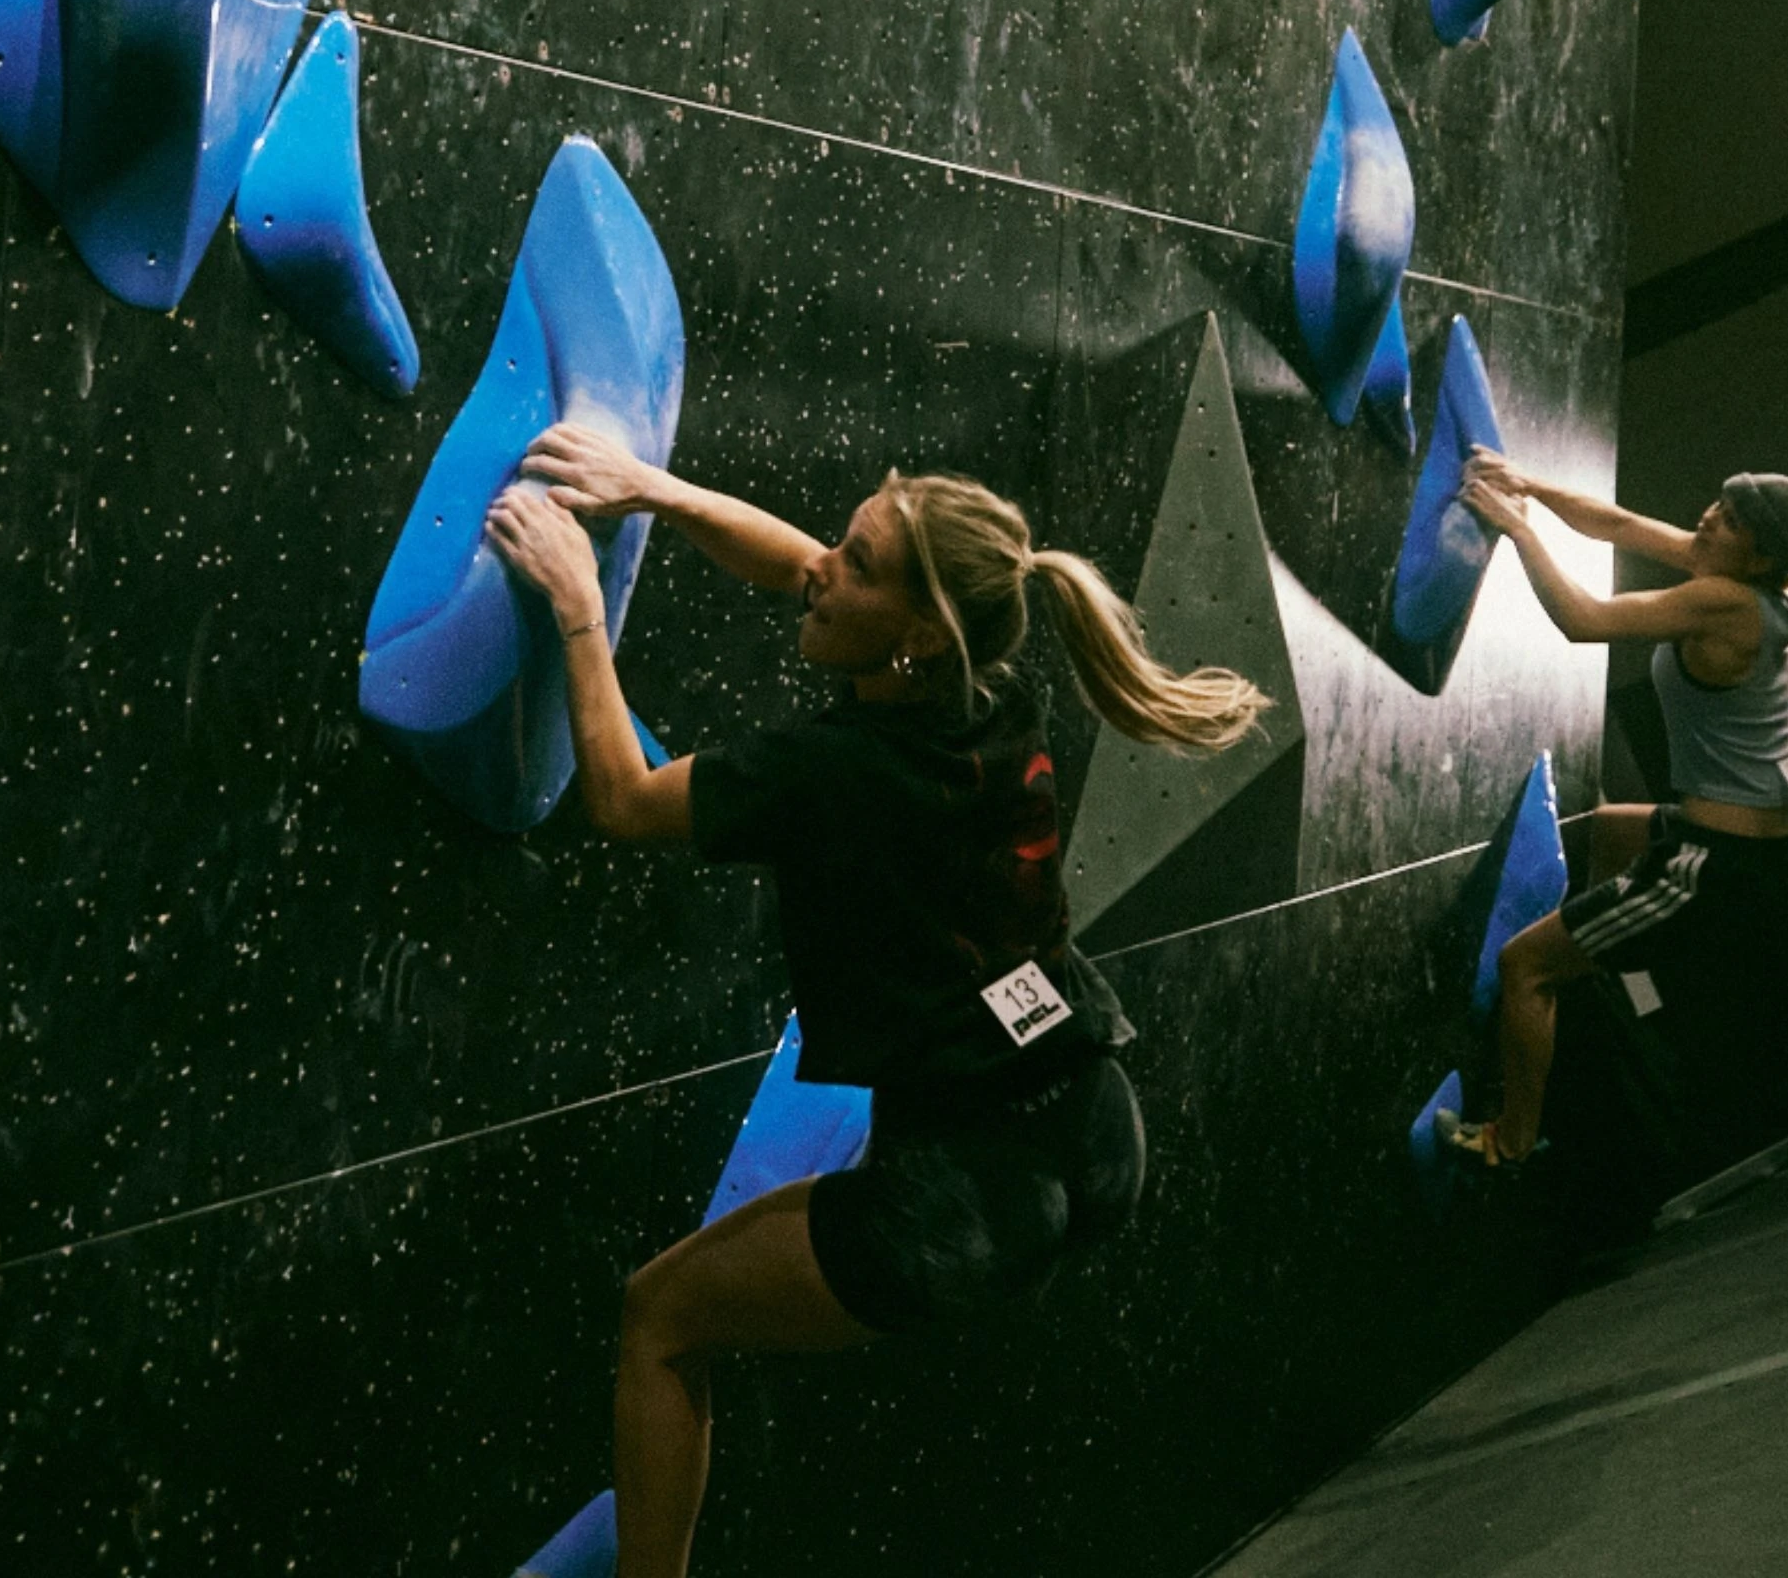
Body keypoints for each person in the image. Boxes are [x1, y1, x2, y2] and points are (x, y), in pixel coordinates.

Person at [484, 425, 1268, 1578]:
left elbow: (622, 796)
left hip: (953, 1203)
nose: (820, 568)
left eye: (853, 563)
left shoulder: (833, 771)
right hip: (1092, 1128)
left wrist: (574, 604)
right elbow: (807, 570)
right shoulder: (982, 683)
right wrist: (658, 490)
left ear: (909, 632)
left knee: (659, 1323)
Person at [1428, 459, 1788, 1174]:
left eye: (1730, 521)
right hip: (1729, 829)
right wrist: (1530, 486)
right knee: (1599, 827)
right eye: (1718, 503)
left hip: (1715, 864)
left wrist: (1518, 529)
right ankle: (1591, 951)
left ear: (1760, 556)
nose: (1709, 518)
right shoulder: (1735, 573)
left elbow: (1587, 622)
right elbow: (1618, 525)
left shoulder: (1728, 604)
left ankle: (1508, 1141)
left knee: (1524, 967)